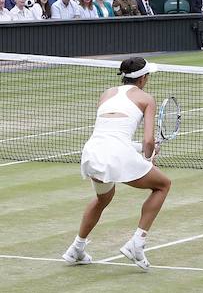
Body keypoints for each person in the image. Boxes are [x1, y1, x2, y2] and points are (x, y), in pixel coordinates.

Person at [62, 57, 172, 271]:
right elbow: (148, 140)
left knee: (104, 197)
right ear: (143, 78)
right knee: (163, 185)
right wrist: (149, 155)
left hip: (93, 153)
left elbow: (112, 135)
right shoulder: (147, 98)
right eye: (148, 76)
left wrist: (142, 151)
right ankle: (137, 244)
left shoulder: (107, 94)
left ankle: (76, 248)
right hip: (115, 153)